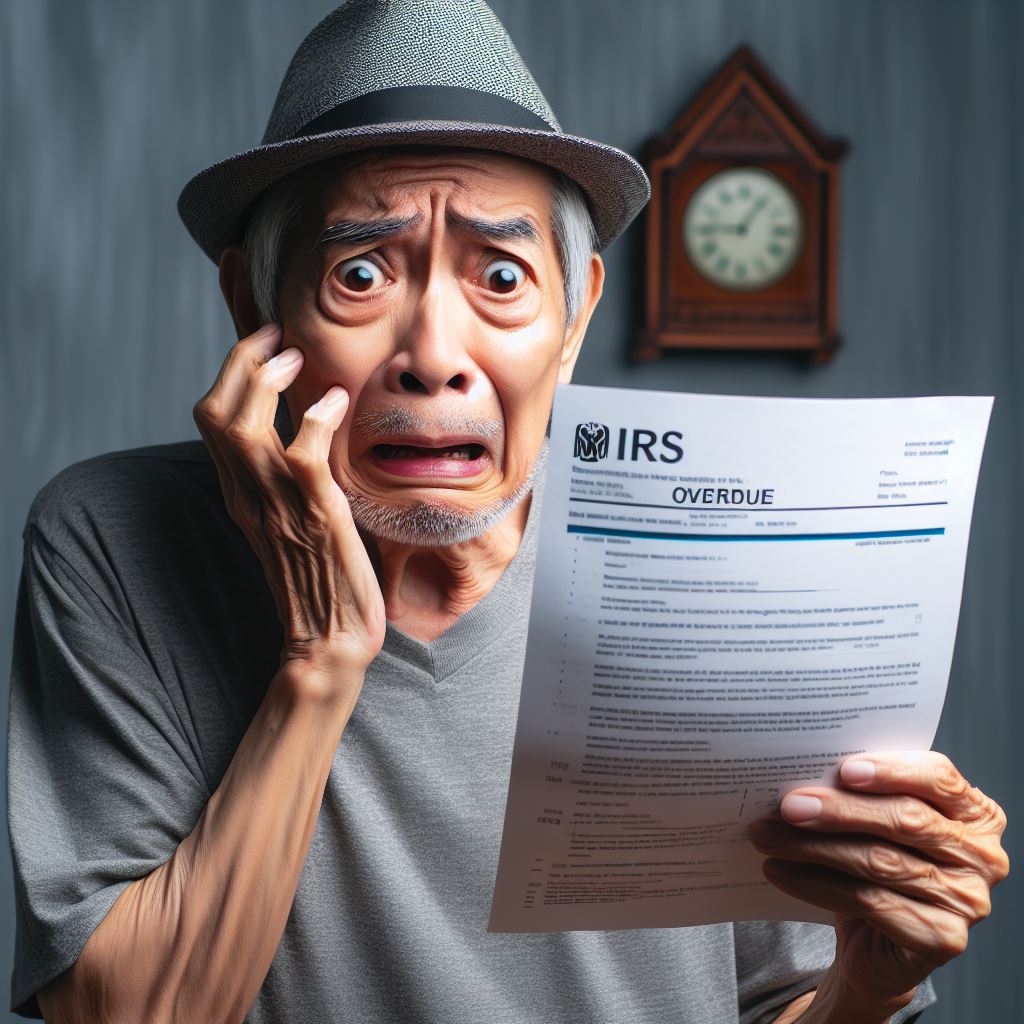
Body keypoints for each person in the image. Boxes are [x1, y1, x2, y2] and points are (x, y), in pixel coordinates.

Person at [7, 2, 1007, 1022]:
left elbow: (777, 1002)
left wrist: (865, 984)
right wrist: (320, 661)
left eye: (500, 276)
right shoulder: (113, 537)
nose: (434, 352)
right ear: (253, 309)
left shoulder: (714, 560)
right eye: (360, 273)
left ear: (572, 321)